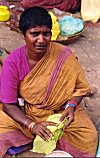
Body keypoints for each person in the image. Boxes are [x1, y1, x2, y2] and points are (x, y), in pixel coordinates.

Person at [0, 6, 98, 157]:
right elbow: (8, 104)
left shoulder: (63, 55)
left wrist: (71, 106)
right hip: (27, 113)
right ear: (23, 35)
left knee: (88, 136)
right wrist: (32, 125)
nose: (41, 40)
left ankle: (33, 143)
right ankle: (29, 139)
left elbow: (80, 88)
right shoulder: (13, 63)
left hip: (60, 114)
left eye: (46, 34)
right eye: (34, 34)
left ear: (51, 34)